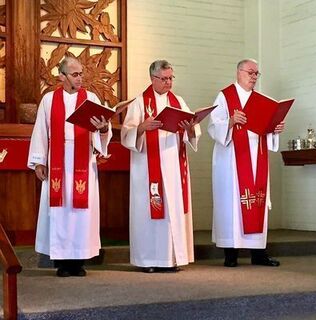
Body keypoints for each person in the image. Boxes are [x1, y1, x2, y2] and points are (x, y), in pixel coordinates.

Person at [28, 57, 112, 277]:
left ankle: (79, 261)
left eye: (81, 73)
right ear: (62, 76)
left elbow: (101, 131)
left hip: (83, 159)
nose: (80, 78)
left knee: (81, 212)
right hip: (58, 160)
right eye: (75, 74)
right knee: (60, 210)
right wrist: (39, 161)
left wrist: (103, 129)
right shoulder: (49, 100)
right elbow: (41, 131)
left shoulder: (91, 98)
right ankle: (62, 263)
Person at [121, 60, 201, 273]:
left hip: (174, 165)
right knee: (151, 213)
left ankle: (172, 259)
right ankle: (149, 260)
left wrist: (190, 128)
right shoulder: (139, 103)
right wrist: (141, 128)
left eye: (170, 78)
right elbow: (125, 134)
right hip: (148, 168)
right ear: (152, 78)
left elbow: (193, 131)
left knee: (172, 212)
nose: (168, 83)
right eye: (164, 78)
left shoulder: (179, 101)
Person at [208, 58, 285, 267]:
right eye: (250, 72)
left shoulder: (262, 99)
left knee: (256, 203)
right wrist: (231, 122)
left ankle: (258, 254)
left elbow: (265, 129)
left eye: (256, 74)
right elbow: (213, 127)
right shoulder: (225, 96)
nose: (254, 77)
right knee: (231, 205)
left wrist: (274, 129)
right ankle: (230, 254)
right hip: (232, 159)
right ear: (239, 72)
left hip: (256, 157)